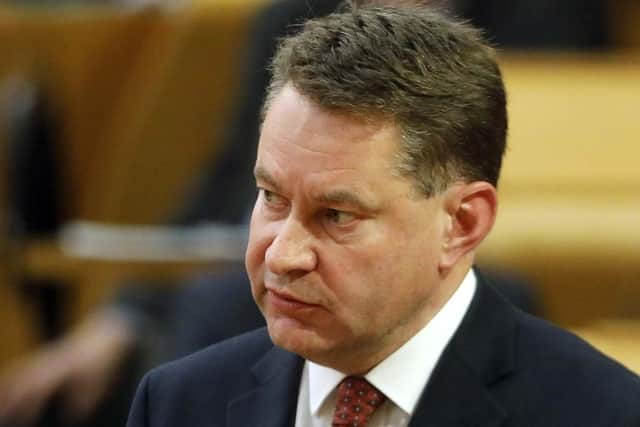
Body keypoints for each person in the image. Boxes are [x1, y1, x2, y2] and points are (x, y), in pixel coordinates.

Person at [126, 3, 640, 427]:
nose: (283, 254)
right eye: (272, 198)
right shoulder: (177, 404)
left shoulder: (601, 413)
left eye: (337, 215)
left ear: (462, 224)